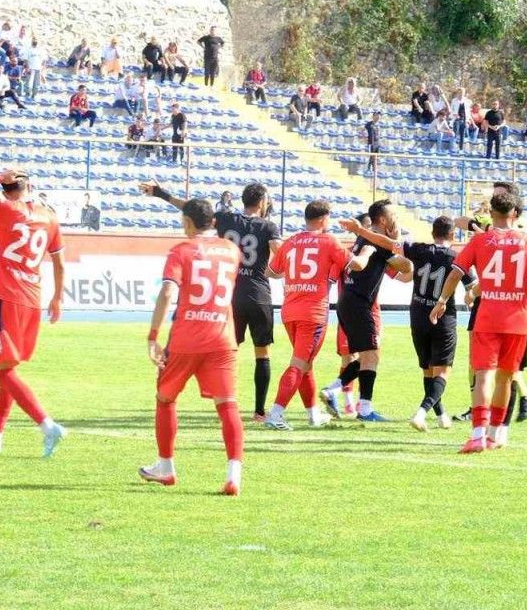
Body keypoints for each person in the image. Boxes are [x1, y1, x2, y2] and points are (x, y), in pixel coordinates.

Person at [141, 181, 283, 422]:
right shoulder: (268, 226)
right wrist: (277, 271)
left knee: (229, 350)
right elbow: (281, 252)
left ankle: (225, 401)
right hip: (258, 294)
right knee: (262, 353)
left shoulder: (226, 219)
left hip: (230, 297)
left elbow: (191, 208)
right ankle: (259, 412)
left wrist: (161, 193)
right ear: (261, 202)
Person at [430, 188, 527, 452]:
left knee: (483, 376)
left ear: (491, 212)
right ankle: (496, 434)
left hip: (487, 318)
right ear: (515, 213)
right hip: (518, 321)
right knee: (505, 379)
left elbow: (455, 274)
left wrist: (441, 301)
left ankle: (478, 435)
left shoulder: (480, 241)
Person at [0, 170, 69, 456]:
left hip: (7, 296)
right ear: (29, 185)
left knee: (4, 373)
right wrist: (57, 298)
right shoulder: (50, 217)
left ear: (6, 190)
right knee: (8, 369)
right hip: (33, 300)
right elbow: (59, 263)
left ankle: (47, 425)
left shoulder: (3, 208)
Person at [138, 198, 245, 495]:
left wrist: (153, 335)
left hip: (187, 339)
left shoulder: (181, 251)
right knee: (228, 405)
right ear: (213, 222)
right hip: (222, 338)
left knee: (165, 398)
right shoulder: (231, 250)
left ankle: (166, 466)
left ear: (187, 222)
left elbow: (168, 292)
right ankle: (234, 475)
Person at [343, 215, 472, 431]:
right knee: (442, 372)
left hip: (418, 317)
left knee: (427, 370)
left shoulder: (418, 249)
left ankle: (441, 414)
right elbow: (472, 287)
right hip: (442, 318)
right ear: (452, 234)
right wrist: (472, 296)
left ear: (432, 233)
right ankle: (421, 413)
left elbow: (387, 243)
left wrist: (362, 231)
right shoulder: (458, 257)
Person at [264, 200, 366, 430]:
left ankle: (313, 415)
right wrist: (368, 252)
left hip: (289, 310)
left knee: (306, 364)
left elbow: (271, 271)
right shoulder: (328, 241)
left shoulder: (291, 241)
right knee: (299, 363)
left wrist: (294, 274)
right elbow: (357, 265)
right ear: (323, 218)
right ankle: (276, 413)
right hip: (312, 313)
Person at [318, 200, 412, 422]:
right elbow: (406, 266)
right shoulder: (376, 241)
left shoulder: (365, 238)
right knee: (371, 355)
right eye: (393, 215)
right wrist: (398, 242)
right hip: (360, 304)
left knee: (367, 354)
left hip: (348, 301)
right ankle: (365, 409)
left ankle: (333, 390)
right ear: (383, 220)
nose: (396, 219)